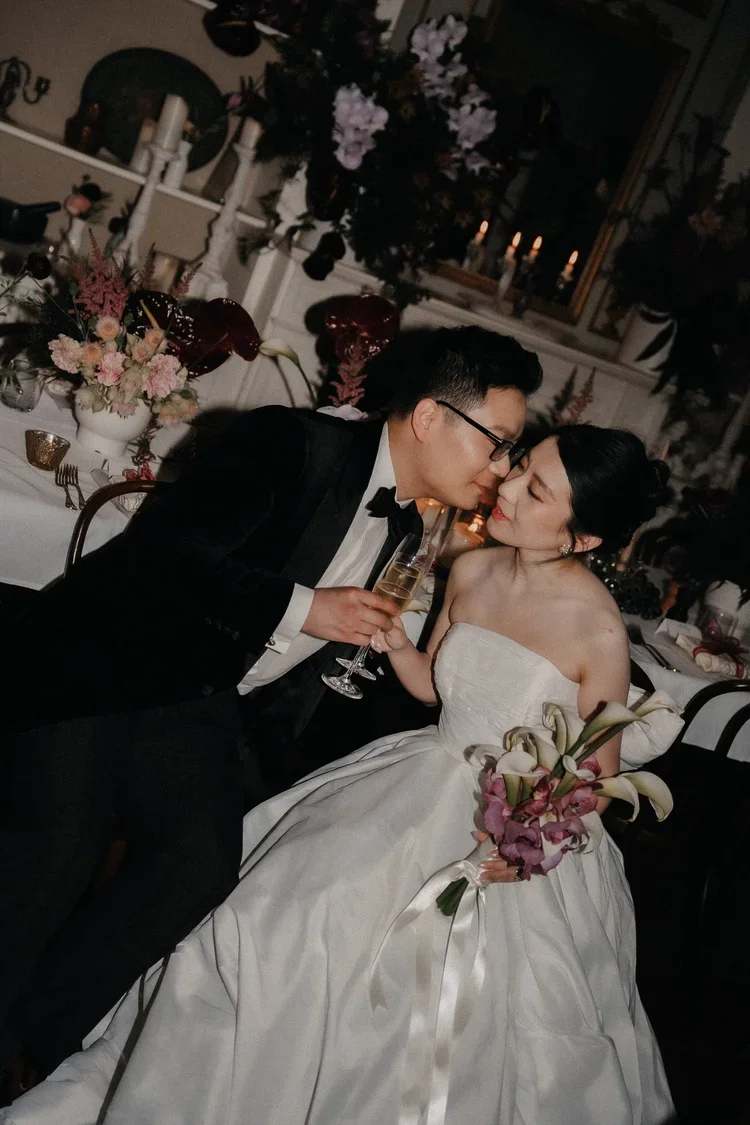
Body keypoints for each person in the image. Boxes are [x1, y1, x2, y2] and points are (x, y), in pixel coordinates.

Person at [3, 425, 680, 1125]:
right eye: (521, 467)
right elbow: (431, 686)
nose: (504, 487)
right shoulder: (474, 568)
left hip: (510, 834)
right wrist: (392, 641)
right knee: (278, 918)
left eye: (535, 490)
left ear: (583, 540)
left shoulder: (598, 631)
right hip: (415, 776)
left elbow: (593, 781)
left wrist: (520, 836)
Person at [0, 326, 541, 1087]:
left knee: (203, 864)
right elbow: (166, 558)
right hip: (99, 661)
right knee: (57, 846)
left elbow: (312, 672)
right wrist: (302, 607)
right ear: (428, 418)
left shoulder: (413, 526)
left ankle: (42, 1034)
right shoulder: (289, 443)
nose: (502, 468)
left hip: (192, 701)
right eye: (499, 444)